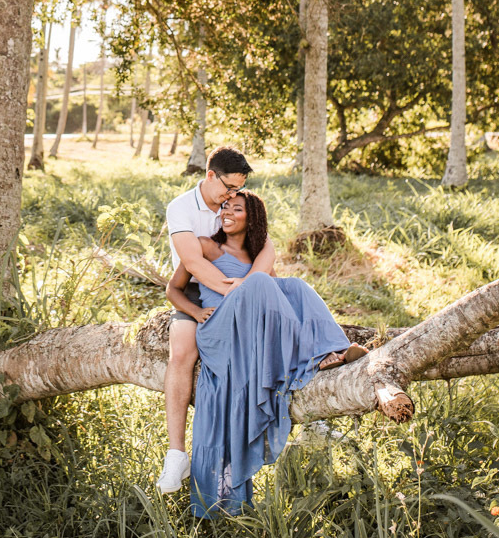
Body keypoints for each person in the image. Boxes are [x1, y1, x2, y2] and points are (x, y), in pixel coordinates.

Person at [166, 188, 366, 518]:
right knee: (260, 283)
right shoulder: (206, 245)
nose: (227, 212)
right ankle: (310, 359)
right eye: (225, 207)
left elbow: (273, 294)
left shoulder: (259, 253)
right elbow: (173, 289)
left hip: (248, 332)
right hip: (218, 331)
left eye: (236, 208)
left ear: (252, 218)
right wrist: (195, 311)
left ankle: (331, 352)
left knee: (295, 286)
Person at [156, 146, 276, 494]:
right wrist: (234, 295)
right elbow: (192, 263)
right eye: (227, 188)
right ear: (210, 176)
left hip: (241, 286)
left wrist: (252, 284)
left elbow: (265, 242)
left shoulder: (234, 204)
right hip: (197, 290)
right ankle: (176, 453)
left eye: (237, 190)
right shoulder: (181, 207)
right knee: (182, 350)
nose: (231, 196)